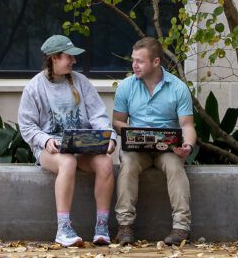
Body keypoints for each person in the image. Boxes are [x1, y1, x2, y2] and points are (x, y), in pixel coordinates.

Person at [18, 34, 117, 247]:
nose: (74, 61)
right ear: (53, 58)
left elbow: (98, 116)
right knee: (67, 161)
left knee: (106, 163)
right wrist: (45, 140)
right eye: (68, 57)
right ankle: (63, 228)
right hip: (51, 150)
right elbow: (26, 127)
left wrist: (110, 139)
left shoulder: (81, 82)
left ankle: (101, 226)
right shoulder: (34, 87)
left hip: (83, 145)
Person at [112, 37, 197, 246]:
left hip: (166, 148)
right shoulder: (126, 87)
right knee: (128, 165)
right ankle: (124, 228)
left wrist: (187, 145)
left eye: (140, 61)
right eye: (133, 60)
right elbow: (117, 122)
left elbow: (187, 125)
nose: (134, 65)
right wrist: (134, 130)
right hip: (137, 148)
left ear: (156, 62)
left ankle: (181, 228)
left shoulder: (178, 88)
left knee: (176, 168)